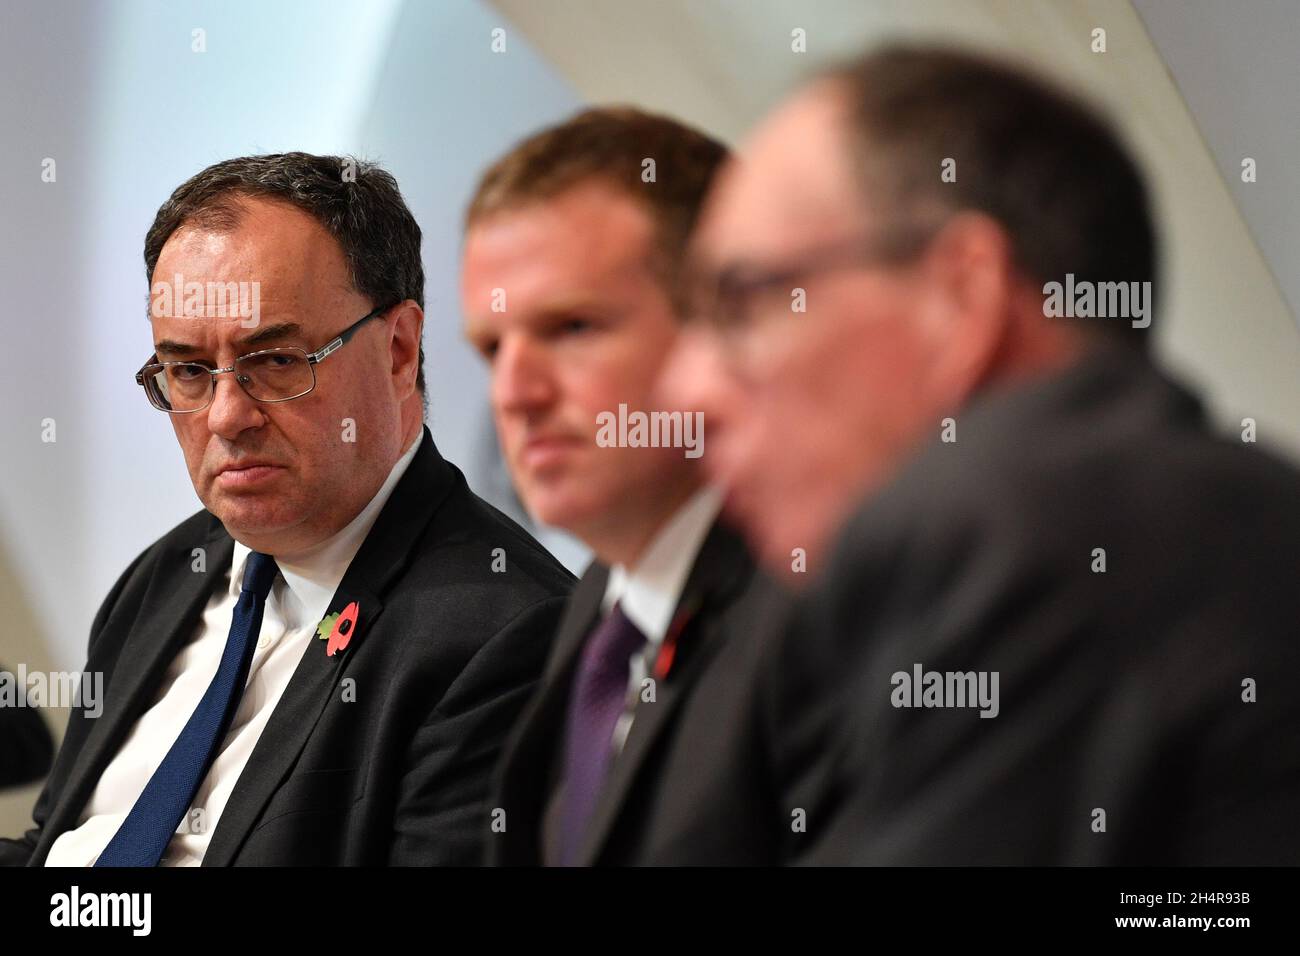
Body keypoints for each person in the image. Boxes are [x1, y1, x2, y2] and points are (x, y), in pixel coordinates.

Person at [659, 46, 1300, 864]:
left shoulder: (1009, 529)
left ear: (958, 297)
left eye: (744, 302)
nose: (685, 392)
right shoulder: (1179, 512)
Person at [0, 153, 572, 867]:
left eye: (275, 361)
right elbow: (63, 854)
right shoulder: (168, 573)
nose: (227, 416)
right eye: (187, 371)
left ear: (398, 351)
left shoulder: (506, 635)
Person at [462, 108, 790, 865]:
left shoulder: (839, 609)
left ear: (726, 321)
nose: (512, 392)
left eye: (571, 327)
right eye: (491, 347)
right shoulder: (603, 599)